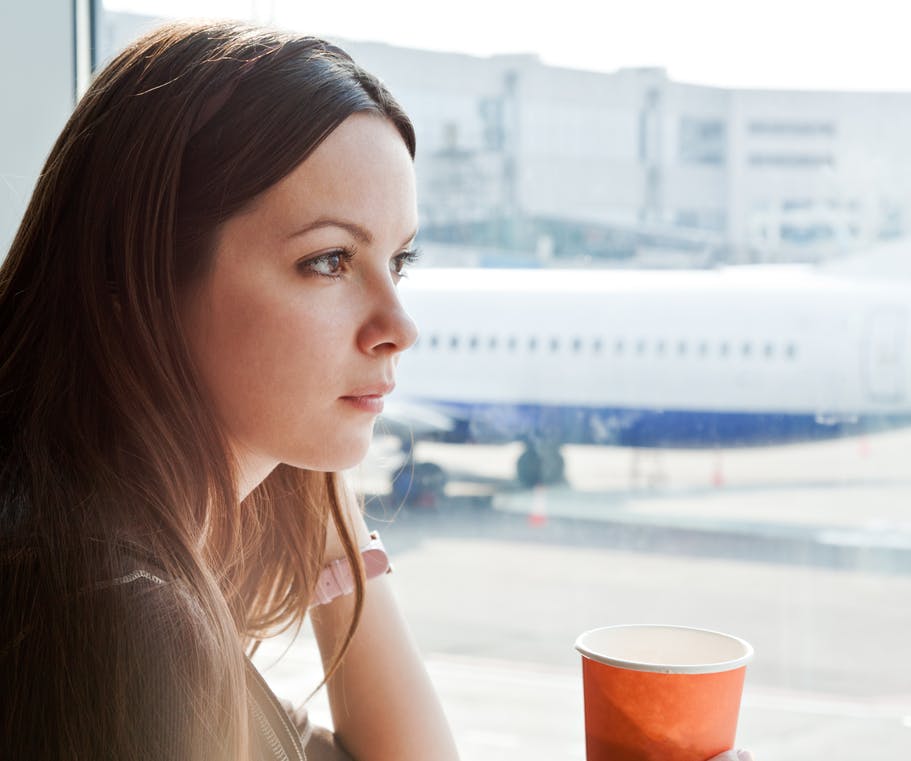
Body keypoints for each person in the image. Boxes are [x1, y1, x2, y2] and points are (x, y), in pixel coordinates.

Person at [0, 19, 752, 761]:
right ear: (137, 278)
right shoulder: (116, 615)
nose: (399, 324)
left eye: (398, 262)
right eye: (328, 260)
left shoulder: (125, 567)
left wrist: (327, 507)